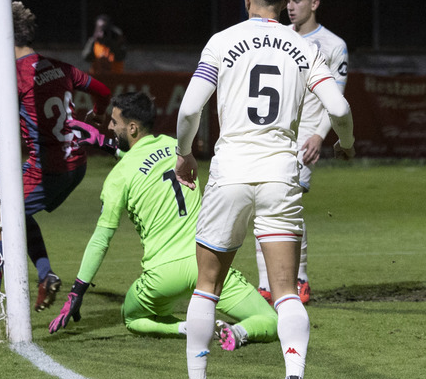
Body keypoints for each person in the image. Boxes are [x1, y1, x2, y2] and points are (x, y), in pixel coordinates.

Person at [173, 0, 355, 379]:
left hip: (230, 173)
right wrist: (347, 143)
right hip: (279, 174)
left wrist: (185, 153)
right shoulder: (302, 46)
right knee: (286, 290)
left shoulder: (222, 41)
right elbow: (338, 105)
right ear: (282, 0)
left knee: (207, 288)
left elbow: (190, 107)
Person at [48, 91, 278, 351]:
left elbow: (102, 239)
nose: (109, 126)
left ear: (132, 127)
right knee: (271, 319)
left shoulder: (118, 177)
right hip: (207, 263)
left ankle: (185, 327)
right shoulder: (177, 147)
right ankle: (238, 332)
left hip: (162, 277)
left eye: (114, 122)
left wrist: (77, 292)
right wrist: (107, 143)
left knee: (132, 317)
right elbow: (146, 158)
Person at [0, 1, 111, 326]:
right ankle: (46, 274)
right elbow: (102, 89)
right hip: (76, 164)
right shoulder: (59, 67)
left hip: (48, 169)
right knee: (17, 215)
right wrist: (98, 113)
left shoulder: (17, 77)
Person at [254, 0, 348, 306]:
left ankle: (299, 279)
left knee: (285, 204)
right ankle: (268, 284)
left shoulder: (334, 46)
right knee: (263, 203)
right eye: (288, 0)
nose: (289, 7)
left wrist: (319, 135)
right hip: (273, 133)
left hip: (303, 138)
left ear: (314, 3)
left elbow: (336, 97)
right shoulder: (279, 37)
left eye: (296, 1)